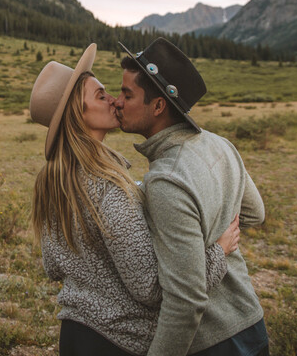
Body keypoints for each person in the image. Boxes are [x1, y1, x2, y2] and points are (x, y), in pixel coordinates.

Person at [29, 43, 241, 356]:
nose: (114, 100)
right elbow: (151, 289)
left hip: (73, 335)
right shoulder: (107, 187)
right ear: (78, 113)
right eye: (101, 96)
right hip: (115, 340)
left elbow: (53, 266)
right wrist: (218, 253)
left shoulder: (51, 182)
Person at [115, 37, 268, 356]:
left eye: (127, 94)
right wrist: (217, 243)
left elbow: (185, 302)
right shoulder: (220, 144)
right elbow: (255, 213)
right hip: (252, 324)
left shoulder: (167, 180)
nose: (117, 102)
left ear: (157, 106)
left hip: (212, 342)